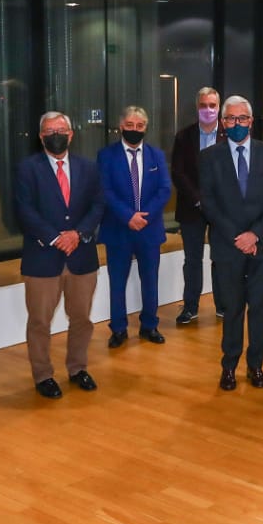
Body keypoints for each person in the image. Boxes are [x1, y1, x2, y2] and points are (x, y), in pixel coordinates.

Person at [14, 112, 106, 399]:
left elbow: (98, 204)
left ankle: (77, 368)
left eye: (61, 129)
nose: (56, 134)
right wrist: (56, 237)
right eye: (49, 130)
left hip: (81, 256)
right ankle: (43, 375)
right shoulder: (27, 168)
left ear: (71, 134)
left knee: (82, 319)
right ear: (41, 136)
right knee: (40, 322)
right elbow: (24, 209)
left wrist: (77, 234)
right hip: (43, 258)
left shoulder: (88, 167)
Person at [198, 96, 263, 391]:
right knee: (232, 309)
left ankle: (256, 365)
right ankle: (229, 366)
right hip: (227, 245)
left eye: (242, 118)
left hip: (261, 245)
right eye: (231, 119)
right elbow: (208, 203)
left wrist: (254, 234)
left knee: (259, 308)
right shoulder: (209, 157)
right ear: (223, 123)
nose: (237, 124)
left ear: (251, 121)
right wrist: (238, 237)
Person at [98, 105, 172, 348]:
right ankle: (118, 329)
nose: (134, 130)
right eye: (129, 125)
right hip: (118, 229)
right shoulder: (106, 155)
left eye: (139, 126)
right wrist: (128, 216)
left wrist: (144, 218)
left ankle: (149, 326)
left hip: (149, 230)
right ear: (121, 126)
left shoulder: (156, 155)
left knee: (150, 280)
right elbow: (105, 191)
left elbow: (164, 190)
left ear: (145, 128)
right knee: (117, 283)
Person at [170, 87, 222, 325]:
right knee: (192, 260)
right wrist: (199, 198)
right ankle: (190, 307)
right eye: (204, 105)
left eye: (212, 105)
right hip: (192, 208)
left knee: (220, 258)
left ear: (219, 108)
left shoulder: (229, 135)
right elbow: (178, 173)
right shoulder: (183, 136)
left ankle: (223, 305)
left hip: (222, 209)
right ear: (197, 107)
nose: (208, 110)